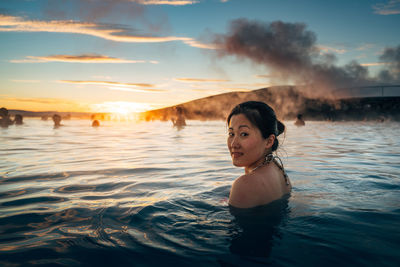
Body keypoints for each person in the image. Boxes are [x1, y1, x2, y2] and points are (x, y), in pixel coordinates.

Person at [227, 101, 291, 209]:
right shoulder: (279, 170)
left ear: (269, 141)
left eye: (244, 134)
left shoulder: (244, 185)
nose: (233, 144)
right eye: (231, 134)